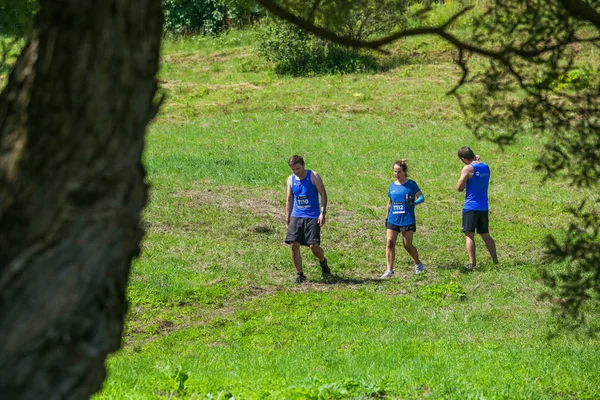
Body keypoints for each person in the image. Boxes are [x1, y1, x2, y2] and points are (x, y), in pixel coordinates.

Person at [285, 155, 330, 283]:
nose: (296, 172)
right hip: (296, 215)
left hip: (312, 215)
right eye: (293, 169)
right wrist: (287, 218)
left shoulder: (313, 176)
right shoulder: (290, 180)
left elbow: (323, 194)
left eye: (298, 168)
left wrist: (322, 213)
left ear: (303, 165)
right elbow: (289, 199)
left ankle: (323, 262)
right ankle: (300, 274)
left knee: (313, 246)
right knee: (293, 244)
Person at [456, 146, 498, 270]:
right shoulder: (486, 167)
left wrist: (464, 174)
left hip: (471, 206)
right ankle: (495, 261)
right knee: (485, 235)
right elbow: (478, 168)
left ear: (463, 159)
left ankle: (472, 264)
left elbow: (459, 188)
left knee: (469, 235)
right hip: (483, 206)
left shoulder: (468, 169)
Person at [381, 159, 425, 278]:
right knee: (389, 243)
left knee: (407, 245)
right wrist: (386, 218)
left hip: (407, 219)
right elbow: (389, 203)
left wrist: (414, 202)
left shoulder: (411, 184)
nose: (397, 174)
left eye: (399, 172)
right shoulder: (392, 186)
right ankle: (389, 270)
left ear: (405, 172)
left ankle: (418, 264)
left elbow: (421, 197)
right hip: (393, 219)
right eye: (395, 172)